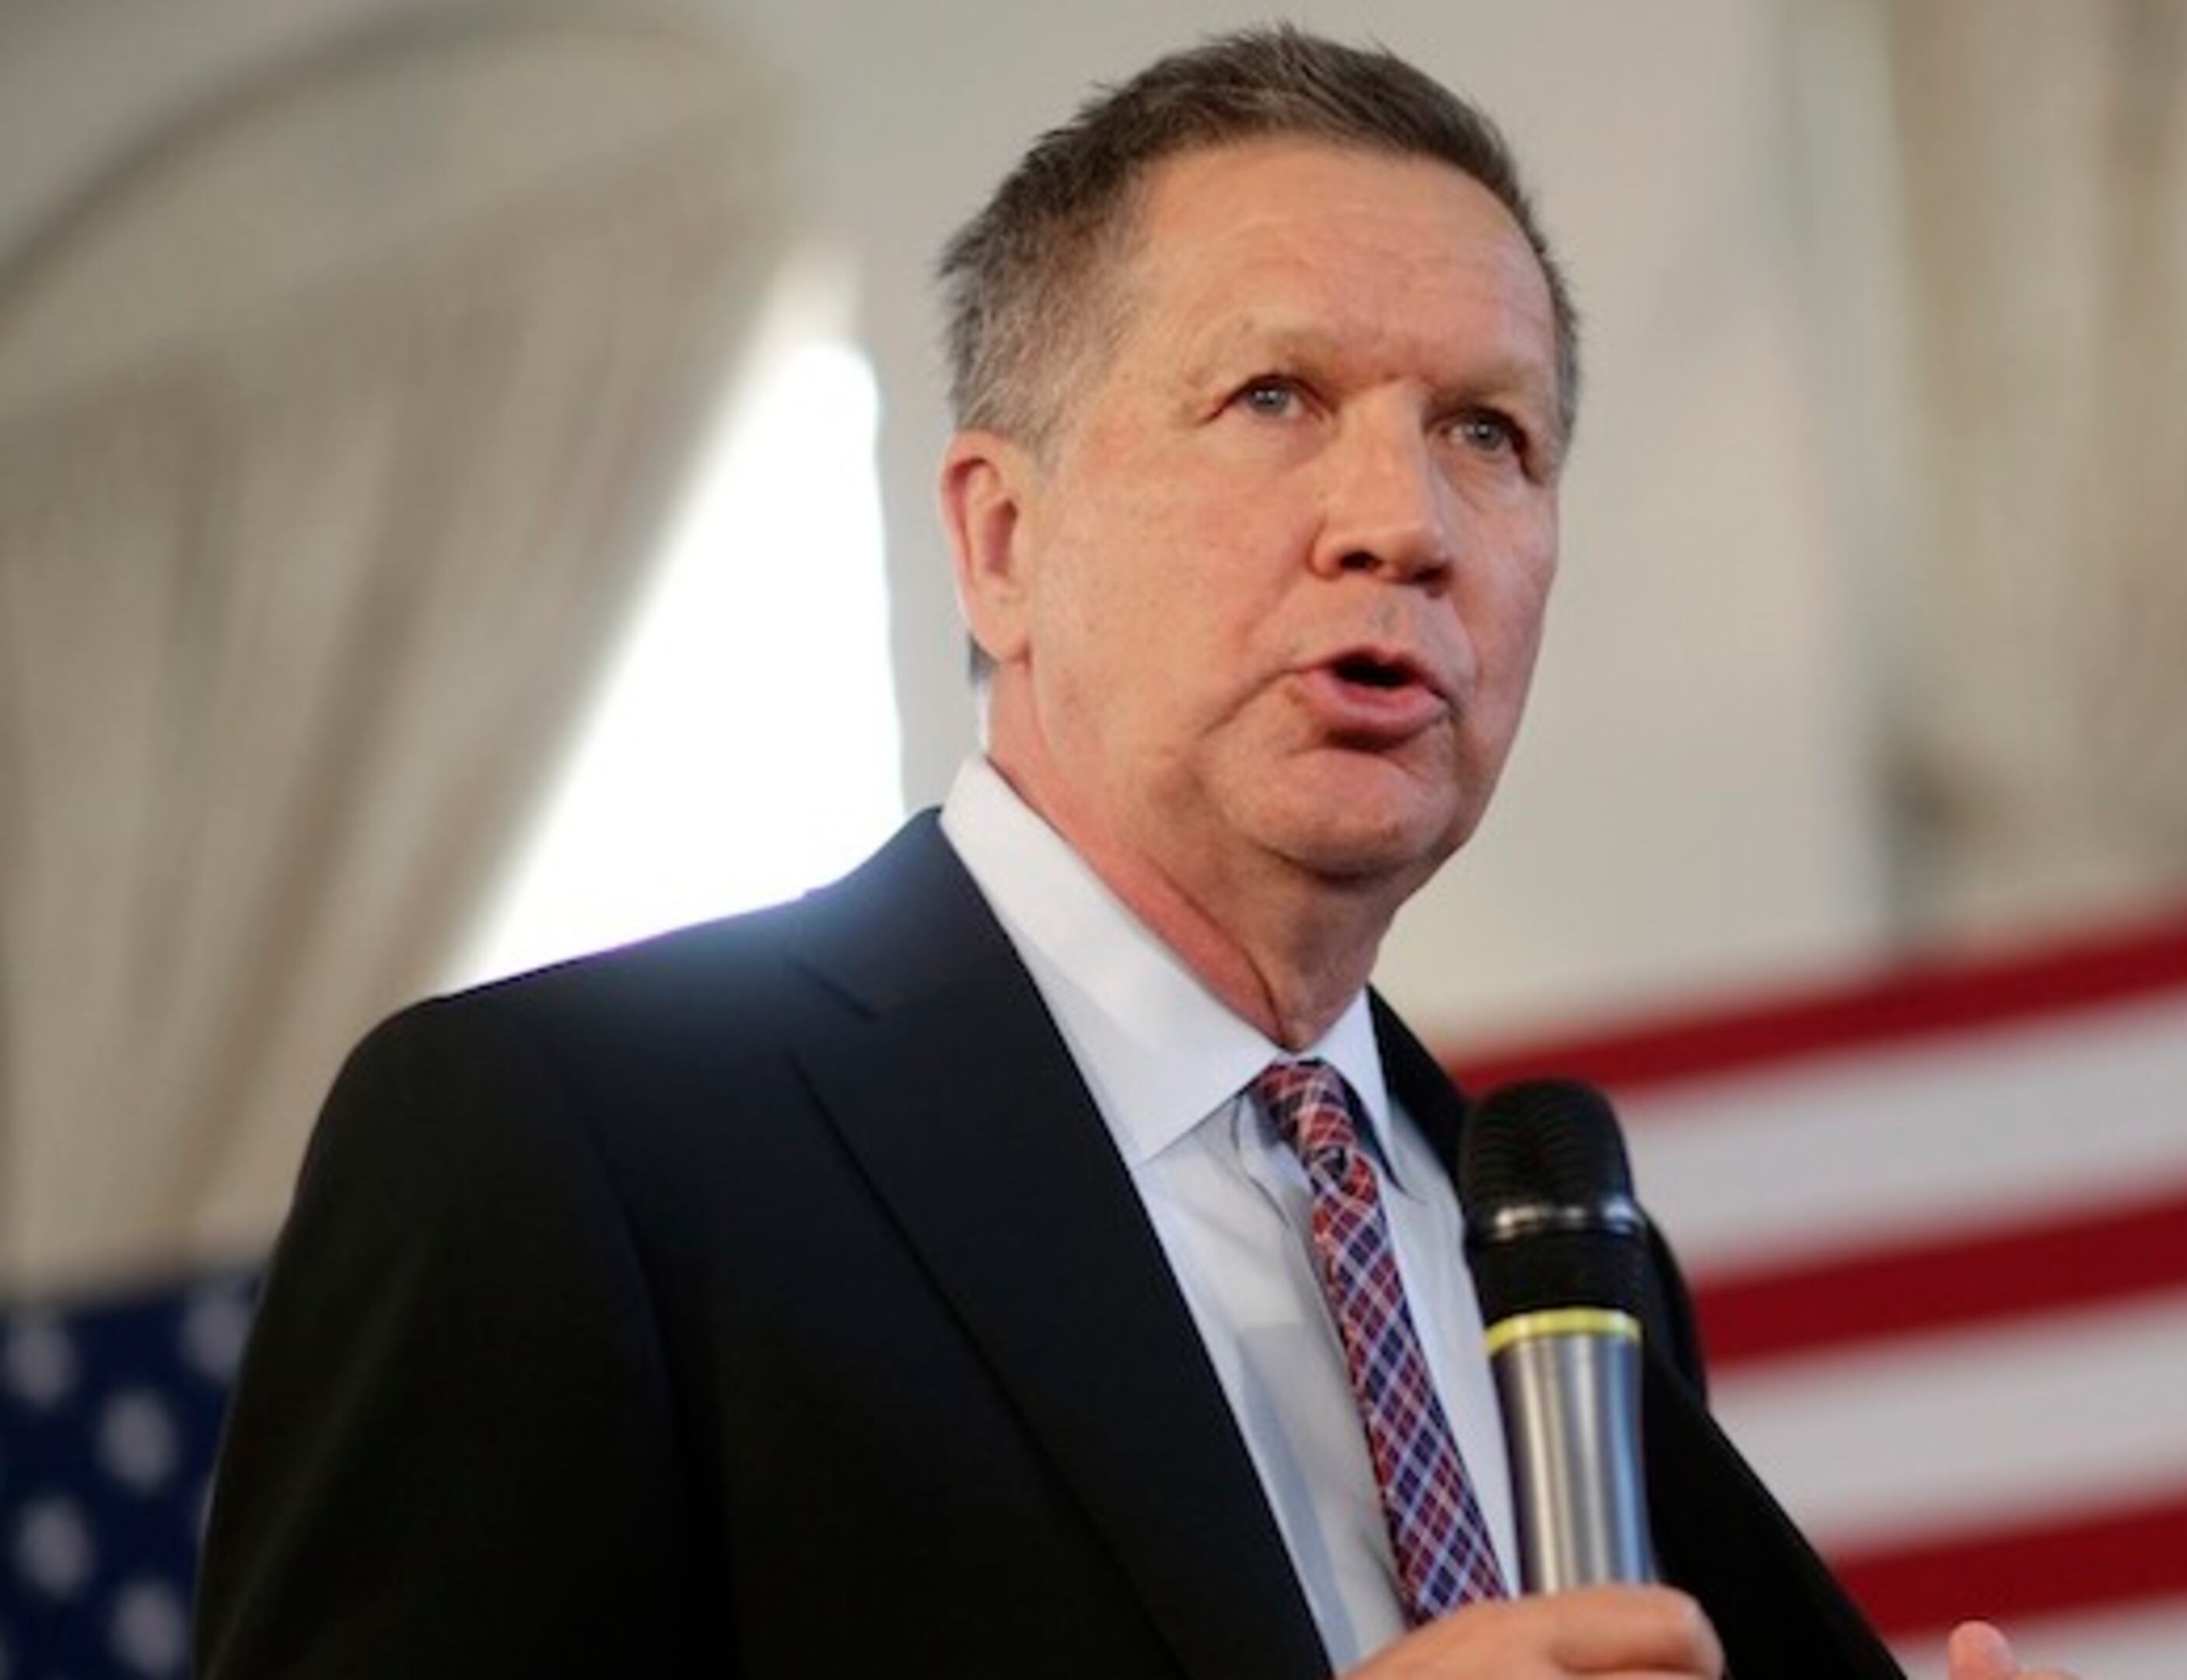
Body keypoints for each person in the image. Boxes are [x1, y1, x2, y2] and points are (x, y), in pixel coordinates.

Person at [196, 28, 2063, 1680]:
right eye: (1278, 401)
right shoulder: (565, 1148)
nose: (1399, 524)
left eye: (1487, 432)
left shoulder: (1563, 1264)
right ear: (1002, 543)